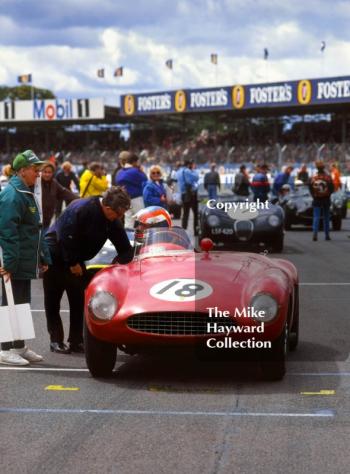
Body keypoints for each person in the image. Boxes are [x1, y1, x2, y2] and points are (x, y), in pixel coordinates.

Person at [43, 186, 134, 354]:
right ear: (107, 208)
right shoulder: (82, 208)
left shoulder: (113, 220)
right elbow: (65, 236)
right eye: (118, 214)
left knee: (78, 297)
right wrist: (72, 263)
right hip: (55, 252)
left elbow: (125, 249)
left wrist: (117, 266)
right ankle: (55, 340)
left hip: (76, 255)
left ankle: (76, 340)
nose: (119, 218)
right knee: (53, 297)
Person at [0, 150, 51, 366]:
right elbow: (7, 231)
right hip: (15, 259)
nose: (38, 174)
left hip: (24, 258)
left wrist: (43, 255)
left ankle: (19, 345)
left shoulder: (24, 191)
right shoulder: (12, 195)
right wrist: (9, 263)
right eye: (35, 169)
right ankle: (5, 348)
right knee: (9, 303)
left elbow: (35, 230)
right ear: (22, 171)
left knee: (21, 303)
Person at [36, 162, 78, 233]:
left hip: (47, 220)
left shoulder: (54, 183)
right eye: (45, 172)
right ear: (41, 172)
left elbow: (64, 192)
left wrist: (80, 199)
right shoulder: (35, 182)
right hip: (36, 220)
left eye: (49, 172)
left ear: (53, 173)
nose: (47, 174)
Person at [115, 153, 148, 228]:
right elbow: (145, 181)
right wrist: (141, 171)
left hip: (125, 199)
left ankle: (128, 238)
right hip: (137, 198)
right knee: (143, 219)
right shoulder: (136, 171)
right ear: (134, 162)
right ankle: (142, 237)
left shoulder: (119, 172)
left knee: (128, 221)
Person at [309, 161, 334, 241]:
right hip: (326, 199)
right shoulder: (328, 177)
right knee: (326, 217)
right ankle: (327, 235)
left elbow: (310, 188)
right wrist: (327, 195)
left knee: (316, 217)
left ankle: (315, 234)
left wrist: (314, 196)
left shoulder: (313, 177)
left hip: (316, 199)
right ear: (324, 168)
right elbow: (331, 188)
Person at [177, 159, 199, 235]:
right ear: (189, 165)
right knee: (196, 213)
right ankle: (196, 231)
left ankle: (183, 230)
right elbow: (196, 177)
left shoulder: (179, 171)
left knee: (185, 213)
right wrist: (193, 170)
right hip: (191, 194)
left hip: (183, 194)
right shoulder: (187, 171)